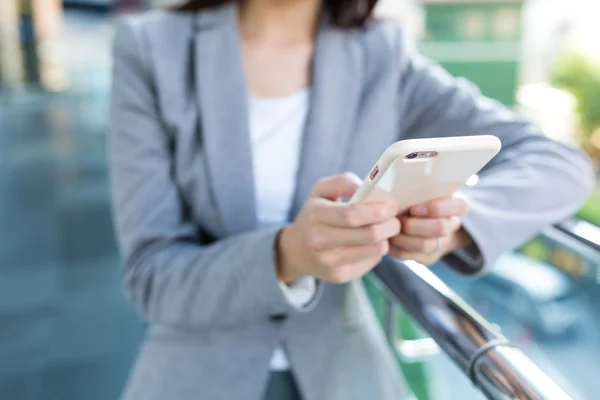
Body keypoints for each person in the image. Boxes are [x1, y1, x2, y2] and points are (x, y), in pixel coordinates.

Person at [107, 0, 594, 398]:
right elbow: (152, 275)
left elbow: (561, 163)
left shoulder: (381, 53)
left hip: (342, 373)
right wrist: (288, 254)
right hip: (196, 375)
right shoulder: (152, 48)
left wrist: (456, 225)